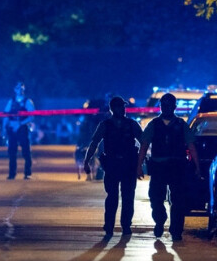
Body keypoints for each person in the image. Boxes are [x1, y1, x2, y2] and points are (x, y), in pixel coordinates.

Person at [137, 92, 201, 241]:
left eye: (169, 105)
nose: (166, 108)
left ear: (174, 107)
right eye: (164, 105)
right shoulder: (153, 124)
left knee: (178, 200)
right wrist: (138, 166)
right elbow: (144, 145)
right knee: (155, 198)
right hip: (158, 167)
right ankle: (160, 221)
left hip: (177, 167)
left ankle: (176, 230)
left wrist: (197, 166)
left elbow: (191, 146)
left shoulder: (181, 125)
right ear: (160, 106)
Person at [83, 96, 143, 237]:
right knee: (112, 197)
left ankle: (126, 226)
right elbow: (94, 144)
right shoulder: (105, 125)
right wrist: (87, 161)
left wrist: (141, 161)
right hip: (112, 165)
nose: (123, 109)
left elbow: (144, 142)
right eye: (119, 106)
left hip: (128, 166)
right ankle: (109, 225)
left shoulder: (132, 124)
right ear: (113, 109)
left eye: (123, 106)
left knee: (128, 198)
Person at [3, 81, 35, 180]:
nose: (20, 90)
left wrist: (20, 123)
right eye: (18, 88)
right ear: (14, 90)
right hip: (12, 129)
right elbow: (6, 115)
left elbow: (32, 116)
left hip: (22, 128)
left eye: (21, 88)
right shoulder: (11, 101)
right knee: (12, 152)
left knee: (26, 151)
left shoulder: (28, 101)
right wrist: (4, 128)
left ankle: (27, 173)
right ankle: (12, 173)